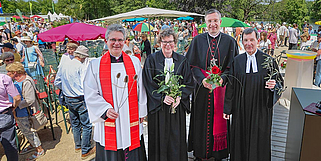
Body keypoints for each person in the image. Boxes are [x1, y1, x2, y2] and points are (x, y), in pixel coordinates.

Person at [84, 24, 148, 161]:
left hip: (131, 116)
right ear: (106, 41)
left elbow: (141, 88)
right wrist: (105, 109)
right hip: (109, 117)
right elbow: (90, 93)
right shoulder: (95, 65)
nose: (116, 43)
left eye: (120, 40)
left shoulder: (134, 62)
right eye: (113, 40)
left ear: (125, 41)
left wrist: (142, 112)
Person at [223, 28, 283, 161]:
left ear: (258, 41)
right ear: (242, 42)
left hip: (260, 109)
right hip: (240, 108)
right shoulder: (237, 61)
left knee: (259, 137)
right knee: (240, 137)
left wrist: (274, 86)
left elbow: (279, 84)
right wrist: (227, 108)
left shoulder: (268, 60)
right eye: (246, 40)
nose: (249, 43)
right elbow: (231, 85)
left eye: (252, 40)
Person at [186, 9, 238, 161]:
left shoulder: (230, 41)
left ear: (220, 22)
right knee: (200, 119)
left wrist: (223, 79)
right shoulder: (197, 40)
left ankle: (218, 153)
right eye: (209, 21)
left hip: (221, 90)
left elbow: (233, 67)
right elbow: (192, 65)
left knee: (219, 118)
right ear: (205, 23)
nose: (213, 24)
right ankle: (200, 153)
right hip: (201, 89)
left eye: (215, 21)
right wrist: (202, 79)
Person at [142, 28, 195, 161]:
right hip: (158, 108)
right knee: (159, 138)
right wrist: (161, 98)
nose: (167, 45)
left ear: (175, 43)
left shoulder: (182, 60)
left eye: (170, 42)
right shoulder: (152, 60)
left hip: (176, 108)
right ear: (159, 43)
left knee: (176, 139)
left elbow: (189, 82)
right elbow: (148, 82)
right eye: (164, 42)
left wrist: (179, 96)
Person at [55, 46, 95, 159]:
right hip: (79, 98)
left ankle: (78, 145)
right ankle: (85, 150)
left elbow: (57, 81)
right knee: (86, 125)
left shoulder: (64, 65)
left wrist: (66, 89)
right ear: (83, 57)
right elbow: (85, 85)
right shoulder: (81, 67)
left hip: (68, 97)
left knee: (75, 123)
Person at [6, 62, 45, 160]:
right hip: (20, 111)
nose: (7, 74)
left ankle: (39, 150)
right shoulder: (17, 80)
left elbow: (30, 100)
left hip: (25, 111)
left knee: (29, 131)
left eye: (9, 72)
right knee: (25, 130)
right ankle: (33, 145)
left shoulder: (26, 81)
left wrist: (15, 106)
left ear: (15, 72)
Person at [0, 53, 21, 161]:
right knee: (10, 147)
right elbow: (17, 97)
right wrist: (14, 107)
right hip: (3, 114)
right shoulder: (3, 78)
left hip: (2, 114)